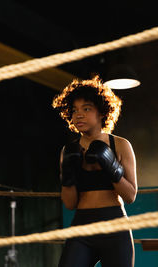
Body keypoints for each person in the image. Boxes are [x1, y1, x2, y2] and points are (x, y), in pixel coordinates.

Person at [52, 75, 137, 267]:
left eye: (86, 109)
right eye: (74, 110)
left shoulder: (120, 145)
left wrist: (111, 166)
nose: (78, 115)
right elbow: (70, 203)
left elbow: (131, 195)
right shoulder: (68, 151)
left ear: (102, 112)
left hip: (115, 225)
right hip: (82, 226)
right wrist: (68, 175)